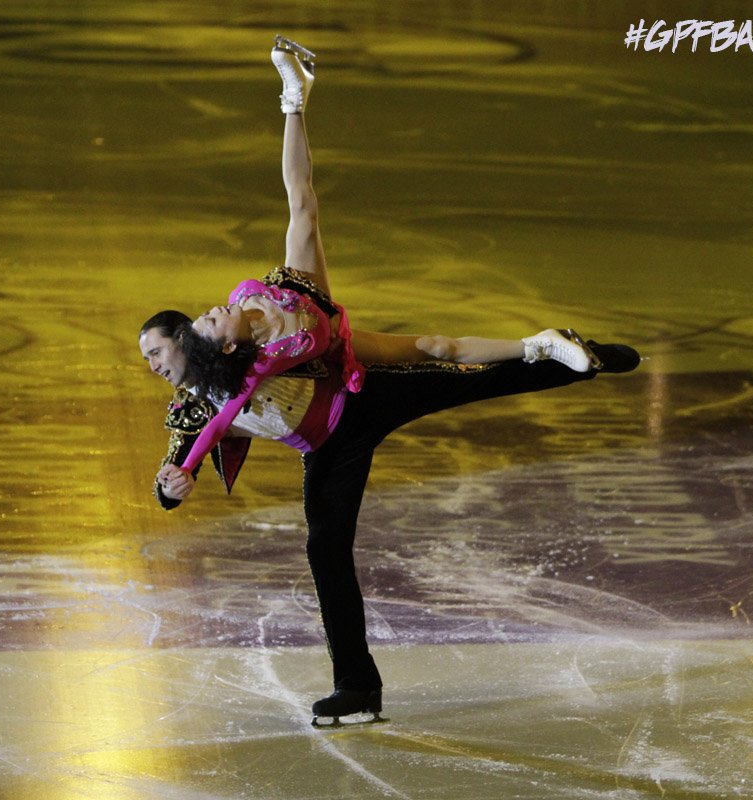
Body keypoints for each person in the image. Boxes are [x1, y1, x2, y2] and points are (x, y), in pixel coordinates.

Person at [137, 36, 641, 725]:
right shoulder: (196, 401)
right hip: (328, 450)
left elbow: (301, 205)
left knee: (468, 374)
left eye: (160, 349)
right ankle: (358, 690)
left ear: (191, 341)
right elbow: (184, 459)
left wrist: (292, 103)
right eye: (152, 359)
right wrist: (172, 488)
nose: (155, 364)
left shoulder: (258, 322)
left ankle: (577, 356)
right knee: (324, 549)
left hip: (361, 388)